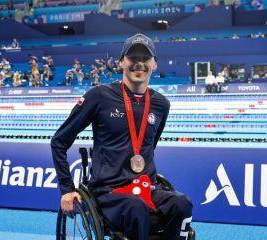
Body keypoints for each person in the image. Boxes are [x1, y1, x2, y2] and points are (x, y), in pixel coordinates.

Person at [51, 33, 193, 240]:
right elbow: (59, 141)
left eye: (145, 58)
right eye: (132, 58)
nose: (139, 64)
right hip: (109, 192)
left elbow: (149, 146)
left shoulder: (161, 104)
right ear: (121, 62)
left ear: (154, 64)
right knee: (136, 208)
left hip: (146, 186)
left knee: (183, 204)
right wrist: (66, 189)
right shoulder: (98, 96)